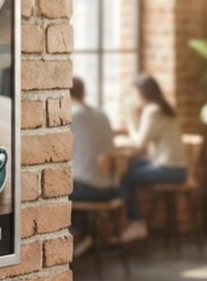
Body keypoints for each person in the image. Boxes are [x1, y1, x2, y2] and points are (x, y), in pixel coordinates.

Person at [69, 77, 144, 256]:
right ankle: (84, 234)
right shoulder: (101, 114)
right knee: (75, 180)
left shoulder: (73, 117)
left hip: (91, 191)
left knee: (54, 192)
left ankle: (77, 234)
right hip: (112, 188)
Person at [116, 74, 184, 241]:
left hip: (168, 170)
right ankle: (136, 221)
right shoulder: (165, 109)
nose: (133, 98)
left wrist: (130, 119)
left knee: (124, 175)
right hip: (179, 169)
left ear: (142, 92)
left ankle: (136, 222)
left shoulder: (152, 110)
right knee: (132, 165)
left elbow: (139, 143)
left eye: (134, 93)